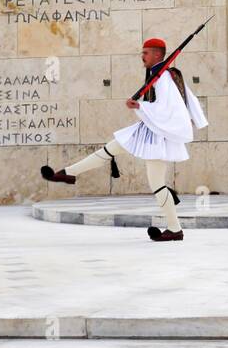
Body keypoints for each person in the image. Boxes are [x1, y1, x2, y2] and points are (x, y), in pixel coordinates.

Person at [41, 38, 207, 242]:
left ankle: (175, 229)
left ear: (157, 54)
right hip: (148, 129)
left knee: (157, 185)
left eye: (145, 53)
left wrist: (140, 107)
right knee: (108, 150)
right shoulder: (160, 74)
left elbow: (171, 107)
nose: (142, 57)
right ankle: (67, 174)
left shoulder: (164, 76)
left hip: (158, 134)